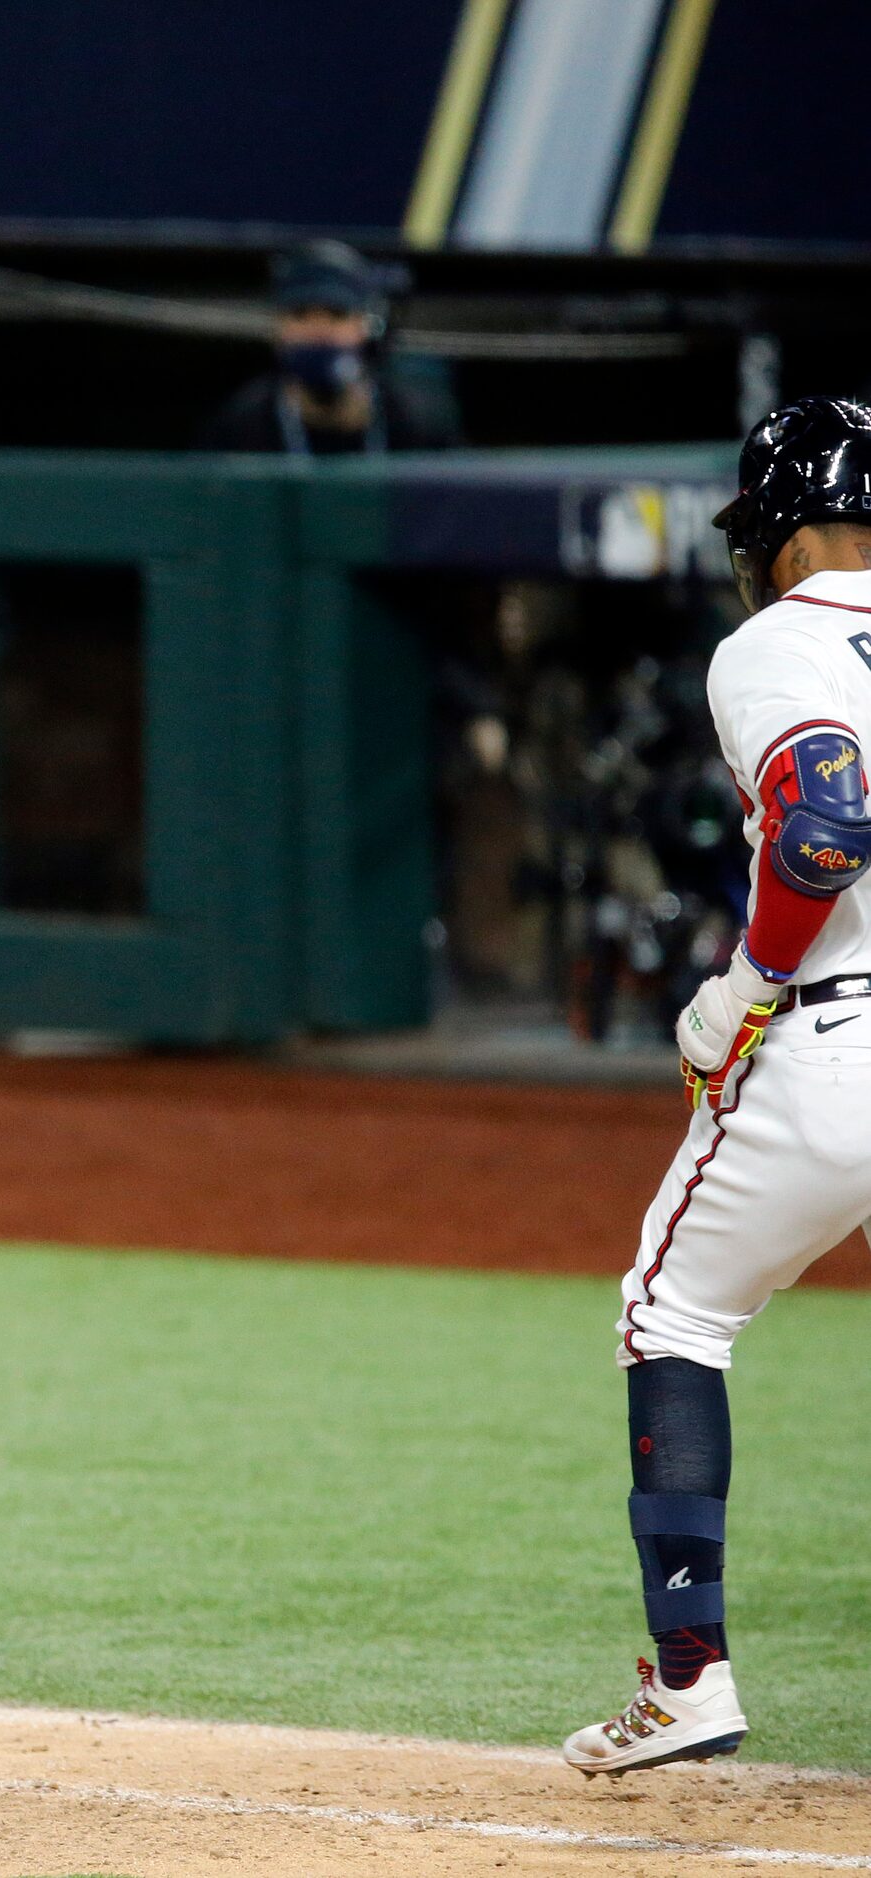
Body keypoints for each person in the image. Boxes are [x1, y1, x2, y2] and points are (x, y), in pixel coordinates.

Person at [563, 397, 871, 1777]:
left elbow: (821, 822)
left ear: (790, 534)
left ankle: (687, 1679)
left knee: (672, 1307)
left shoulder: (777, 642)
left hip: (837, 1045)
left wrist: (739, 991)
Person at [195, 239, 460, 457]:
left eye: (336, 315)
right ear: (277, 330)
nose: (318, 332)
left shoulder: (415, 425)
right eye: (301, 315)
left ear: (365, 326)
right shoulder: (240, 427)